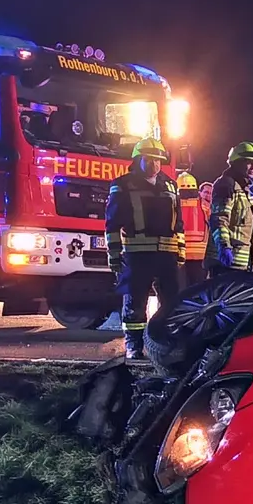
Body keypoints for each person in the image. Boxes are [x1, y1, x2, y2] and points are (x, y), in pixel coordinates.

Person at [105, 137, 185, 359]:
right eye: (149, 160)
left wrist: (181, 250)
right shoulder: (122, 185)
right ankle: (134, 346)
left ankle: (166, 343)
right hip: (137, 254)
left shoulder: (170, 184)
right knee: (135, 301)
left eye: (158, 161)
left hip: (167, 254)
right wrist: (113, 254)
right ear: (138, 159)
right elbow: (112, 223)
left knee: (171, 301)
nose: (155, 165)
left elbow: (178, 222)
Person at [206, 142, 253, 277]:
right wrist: (224, 246)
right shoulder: (226, 185)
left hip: (242, 265)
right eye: (248, 162)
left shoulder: (245, 191)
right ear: (237, 163)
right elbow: (219, 219)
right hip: (225, 265)